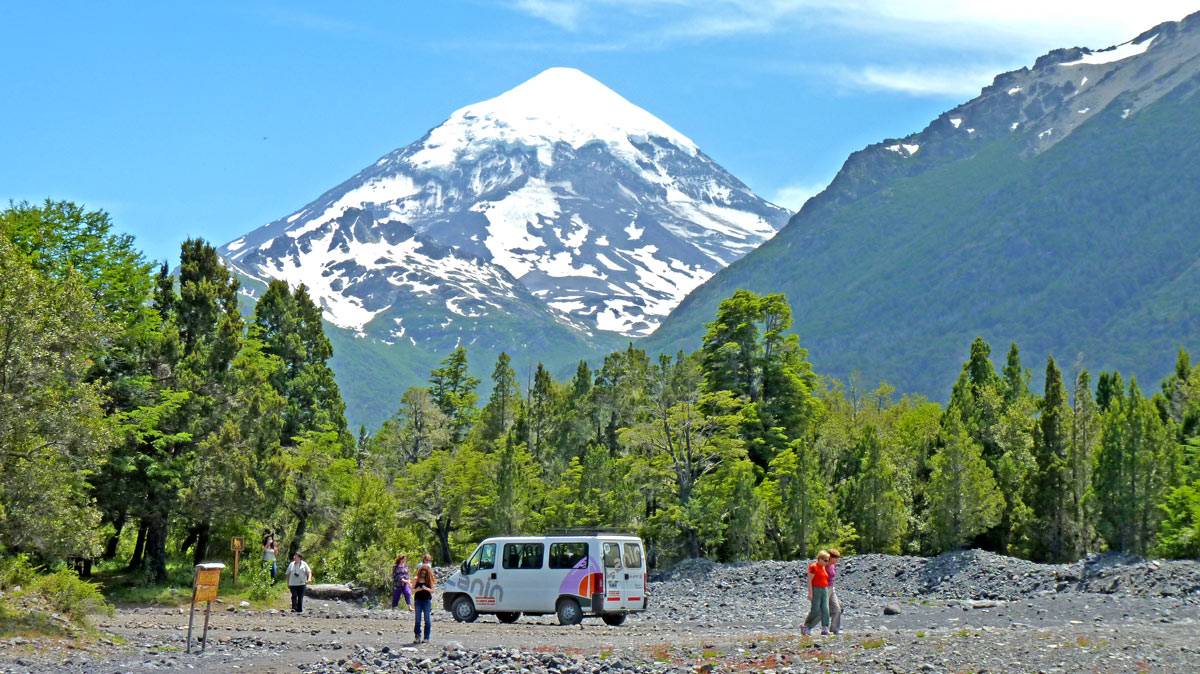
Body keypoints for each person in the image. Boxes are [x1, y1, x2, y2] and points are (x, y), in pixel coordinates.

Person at [800, 550, 832, 636]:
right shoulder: (813, 566)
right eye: (825, 560)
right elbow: (809, 580)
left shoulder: (823, 567)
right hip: (816, 589)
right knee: (815, 610)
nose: (827, 562)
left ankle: (825, 628)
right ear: (820, 559)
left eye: (828, 560)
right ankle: (806, 626)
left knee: (825, 609)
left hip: (824, 589)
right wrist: (810, 593)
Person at [411, 553, 436, 643]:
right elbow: (412, 591)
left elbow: (433, 590)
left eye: (425, 571)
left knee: (427, 620)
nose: (423, 573)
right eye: (422, 571)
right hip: (418, 600)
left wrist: (426, 588)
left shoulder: (430, 579)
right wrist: (417, 589)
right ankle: (417, 637)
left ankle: (426, 638)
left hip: (427, 600)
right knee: (417, 620)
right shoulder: (416, 579)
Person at [827, 548, 843, 634]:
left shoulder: (833, 565)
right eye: (836, 558)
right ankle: (807, 626)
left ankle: (834, 629)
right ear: (830, 557)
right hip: (824, 589)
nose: (837, 560)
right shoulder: (824, 566)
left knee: (838, 609)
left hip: (832, 589)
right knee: (820, 611)